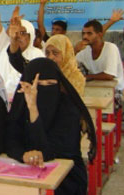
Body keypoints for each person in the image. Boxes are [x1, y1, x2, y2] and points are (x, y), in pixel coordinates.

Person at [6, 58, 96, 195]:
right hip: (25, 170)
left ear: (59, 84)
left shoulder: (68, 109)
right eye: (37, 84)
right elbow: (9, 139)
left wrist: (34, 110)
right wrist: (23, 155)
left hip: (66, 178)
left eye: (50, 83)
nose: (40, 90)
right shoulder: (20, 104)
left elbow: (53, 151)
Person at [75, 20, 124, 92]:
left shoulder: (111, 48)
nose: (85, 36)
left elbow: (109, 75)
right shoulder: (85, 49)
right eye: (83, 33)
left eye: (89, 33)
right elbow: (72, 63)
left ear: (99, 35)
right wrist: (75, 51)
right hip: (95, 87)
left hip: (114, 90)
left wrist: (85, 77)